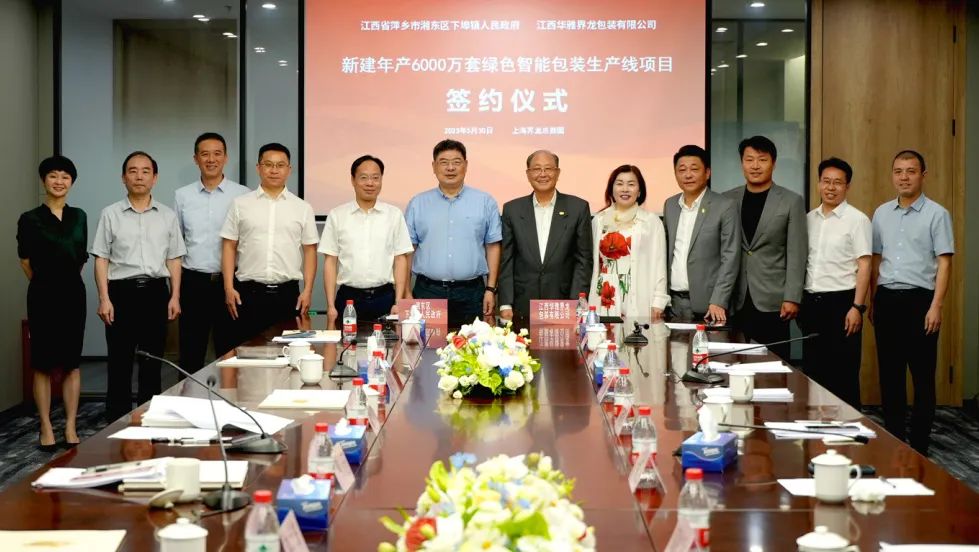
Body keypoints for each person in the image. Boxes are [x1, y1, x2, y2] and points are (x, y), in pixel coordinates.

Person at [91, 151, 185, 421]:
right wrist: (104, 298)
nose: (139, 176)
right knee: (119, 362)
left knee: (152, 362)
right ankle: (116, 421)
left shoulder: (167, 216)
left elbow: (174, 259)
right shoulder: (110, 214)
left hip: (156, 293)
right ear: (123, 177)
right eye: (132, 171)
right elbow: (101, 258)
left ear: (155, 178)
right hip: (121, 294)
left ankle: (149, 419)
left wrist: (175, 296)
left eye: (145, 171)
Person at [871, 150, 953, 454]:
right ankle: (895, 441)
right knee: (890, 377)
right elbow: (876, 259)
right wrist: (873, 300)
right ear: (892, 175)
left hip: (921, 302)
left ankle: (920, 446)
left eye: (911, 171)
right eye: (898, 171)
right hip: (887, 300)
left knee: (922, 378)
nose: (904, 177)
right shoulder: (881, 213)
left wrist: (936, 305)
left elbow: (944, 263)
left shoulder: (937, 214)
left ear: (923, 175)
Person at [17, 156, 88, 450]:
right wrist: (45, 283)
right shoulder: (29, 218)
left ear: (72, 182)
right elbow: (25, 261)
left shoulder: (79, 216)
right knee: (43, 363)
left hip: (73, 294)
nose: (59, 181)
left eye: (65, 177)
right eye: (53, 176)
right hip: (42, 295)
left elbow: (80, 258)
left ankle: (70, 425)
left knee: (72, 362)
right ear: (43, 180)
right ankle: (46, 426)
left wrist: (64, 280)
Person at [220, 143, 319, 342]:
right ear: (259, 168)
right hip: (248, 294)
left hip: (287, 294)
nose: (274, 170)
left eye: (280, 165)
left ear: (289, 169)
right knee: (247, 351)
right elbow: (229, 246)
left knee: (287, 353)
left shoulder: (302, 208)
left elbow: (310, 251)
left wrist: (307, 291)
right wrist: (229, 288)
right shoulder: (240, 204)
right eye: (268, 164)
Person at [798, 157, 872, 409]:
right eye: (826, 181)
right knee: (813, 372)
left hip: (842, 304)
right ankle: (815, 427)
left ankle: (849, 428)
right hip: (812, 303)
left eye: (838, 182)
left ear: (847, 186)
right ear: (819, 183)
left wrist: (857, 307)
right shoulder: (808, 219)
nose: (831, 187)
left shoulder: (857, 220)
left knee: (843, 374)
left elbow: (865, 266)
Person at [724, 136, 807, 360]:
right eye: (749, 159)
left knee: (773, 365)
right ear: (742, 163)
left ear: (774, 163)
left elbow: (797, 253)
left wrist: (792, 297)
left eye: (762, 160)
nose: (755, 165)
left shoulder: (791, 201)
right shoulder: (727, 200)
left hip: (773, 299)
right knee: (733, 362)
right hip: (735, 298)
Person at [405, 139, 502, 328]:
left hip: (471, 293)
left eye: (456, 162)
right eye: (444, 162)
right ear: (434, 167)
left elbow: (493, 247)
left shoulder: (485, 201)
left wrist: (490, 289)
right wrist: (406, 292)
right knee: (426, 344)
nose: (450, 168)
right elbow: (408, 250)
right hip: (427, 291)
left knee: (472, 345)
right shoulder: (418, 203)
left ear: (466, 165)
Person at [174, 132, 249, 373]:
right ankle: (188, 397)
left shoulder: (242, 195)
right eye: (205, 154)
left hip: (231, 283)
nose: (211, 159)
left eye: (217, 154)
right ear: (196, 159)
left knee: (230, 351)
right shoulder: (182, 196)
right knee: (190, 351)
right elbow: (176, 242)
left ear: (226, 158)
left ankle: (230, 396)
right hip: (193, 282)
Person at [319, 155, 413, 326]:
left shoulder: (394, 215)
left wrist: (398, 301)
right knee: (347, 343)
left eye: (375, 178)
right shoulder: (337, 215)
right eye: (364, 177)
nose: (370, 183)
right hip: (349, 299)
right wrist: (330, 305)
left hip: (385, 298)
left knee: (387, 344)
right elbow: (330, 261)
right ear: (353, 180)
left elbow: (400, 259)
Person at [498, 150, 592, 321]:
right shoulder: (512, 209)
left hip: (563, 303)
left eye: (548, 168)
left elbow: (583, 260)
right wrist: (505, 303)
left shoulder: (578, 208)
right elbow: (507, 259)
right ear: (528, 174)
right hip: (522, 304)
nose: (542, 174)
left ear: (558, 173)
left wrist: (576, 303)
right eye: (536, 169)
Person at [663, 145, 741, 324]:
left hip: (710, 306)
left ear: (707, 173)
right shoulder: (670, 205)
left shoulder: (725, 206)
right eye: (682, 170)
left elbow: (731, 256)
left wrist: (719, 300)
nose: (688, 175)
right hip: (673, 303)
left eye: (694, 169)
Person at [588, 165, 668, 319]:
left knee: (637, 334)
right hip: (604, 296)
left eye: (631, 184)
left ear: (639, 191)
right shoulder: (599, 220)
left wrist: (659, 301)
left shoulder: (651, 221)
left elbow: (660, 263)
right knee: (604, 334)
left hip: (639, 295)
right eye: (619, 184)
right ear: (611, 189)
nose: (625, 189)